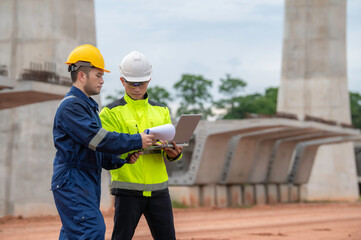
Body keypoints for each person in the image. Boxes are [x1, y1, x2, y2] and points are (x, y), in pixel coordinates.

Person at [51, 44, 155, 240]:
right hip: (74, 180)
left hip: (84, 179)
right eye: (98, 75)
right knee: (90, 230)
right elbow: (98, 140)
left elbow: (96, 151)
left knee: (75, 233)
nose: (102, 81)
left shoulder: (86, 106)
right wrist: (136, 140)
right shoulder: (72, 107)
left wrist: (123, 158)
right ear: (82, 76)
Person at [99, 51, 183, 240]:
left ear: (149, 80)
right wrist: (128, 153)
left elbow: (168, 152)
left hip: (159, 190)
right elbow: (107, 151)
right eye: (132, 83)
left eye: (142, 83)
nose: (137, 88)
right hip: (127, 191)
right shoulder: (110, 113)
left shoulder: (161, 110)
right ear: (122, 81)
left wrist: (173, 153)